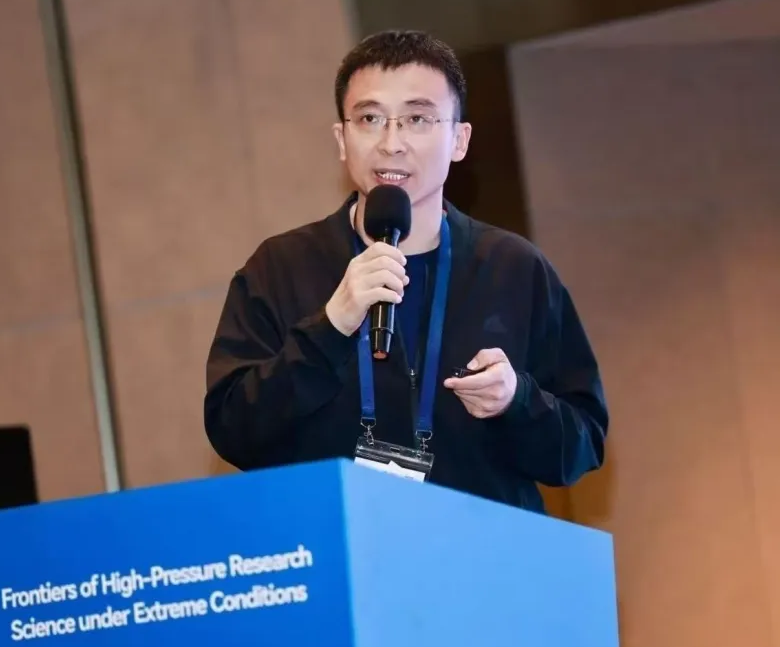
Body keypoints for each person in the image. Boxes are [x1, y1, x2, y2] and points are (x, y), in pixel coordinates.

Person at [203, 30, 607, 513]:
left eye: (417, 119)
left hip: (481, 551)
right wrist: (329, 328)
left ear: (459, 140)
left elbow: (582, 445)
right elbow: (233, 431)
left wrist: (516, 400)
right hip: (337, 544)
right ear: (342, 139)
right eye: (369, 119)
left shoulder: (515, 269)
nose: (391, 144)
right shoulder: (279, 268)